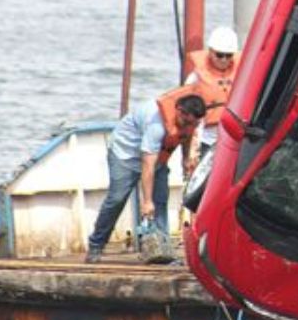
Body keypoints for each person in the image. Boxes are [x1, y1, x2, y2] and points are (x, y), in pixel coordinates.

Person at [85, 88, 206, 263]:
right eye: (186, 122)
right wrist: (147, 201)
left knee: (161, 200)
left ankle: (163, 251)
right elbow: (147, 165)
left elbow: (185, 136)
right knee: (117, 199)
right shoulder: (155, 124)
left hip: (156, 157)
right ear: (179, 111)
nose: (189, 126)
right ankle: (96, 245)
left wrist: (186, 158)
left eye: (193, 124)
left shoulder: (190, 123)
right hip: (125, 154)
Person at [184, 26, 241, 156]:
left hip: (234, 138)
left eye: (228, 56)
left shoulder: (242, 73)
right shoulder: (195, 78)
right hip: (207, 139)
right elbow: (186, 111)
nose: (224, 60)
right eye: (220, 55)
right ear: (210, 51)